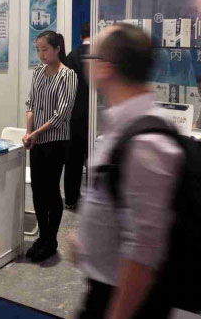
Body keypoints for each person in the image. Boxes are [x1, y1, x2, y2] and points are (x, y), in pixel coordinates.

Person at [74, 23, 183, 319]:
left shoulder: (146, 142)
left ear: (105, 69)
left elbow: (144, 249)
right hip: (103, 288)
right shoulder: (121, 125)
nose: (86, 62)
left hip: (123, 303)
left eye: (90, 56)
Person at [23, 31, 77, 262]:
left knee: (51, 190)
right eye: (38, 50)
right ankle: (42, 236)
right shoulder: (38, 72)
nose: (41, 54)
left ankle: (51, 239)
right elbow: (30, 103)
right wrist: (29, 132)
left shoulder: (68, 75)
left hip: (55, 142)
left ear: (57, 49)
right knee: (37, 189)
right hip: (36, 140)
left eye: (45, 49)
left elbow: (61, 115)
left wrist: (35, 133)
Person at [64, 22, 90, 209]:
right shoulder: (100, 55)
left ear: (81, 35)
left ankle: (71, 199)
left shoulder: (72, 56)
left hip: (75, 116)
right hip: (96, 117)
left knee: (73, 160)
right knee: (96, 159)